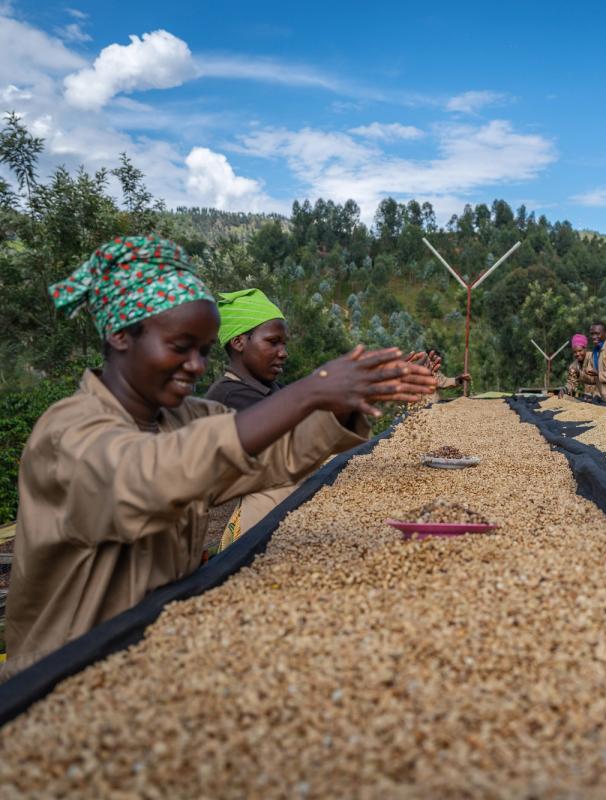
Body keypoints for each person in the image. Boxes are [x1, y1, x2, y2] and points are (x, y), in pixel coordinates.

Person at [3, 236, 437, 677]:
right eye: (179, 346)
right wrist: (310, 390)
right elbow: (153, 476)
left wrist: (346, 401)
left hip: (153, 650)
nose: (195, 365)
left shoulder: (185, 416)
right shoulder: (68, 433)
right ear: (119, 335)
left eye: (204, 351)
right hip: (60, 675)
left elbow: (271, 457)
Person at [203, 289, 298, 548]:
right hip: (219, 546)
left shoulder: (266, 388)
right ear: (239, 342)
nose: (283, 352)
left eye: (284, 344)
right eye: (273, 342)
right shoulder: (230, 397)